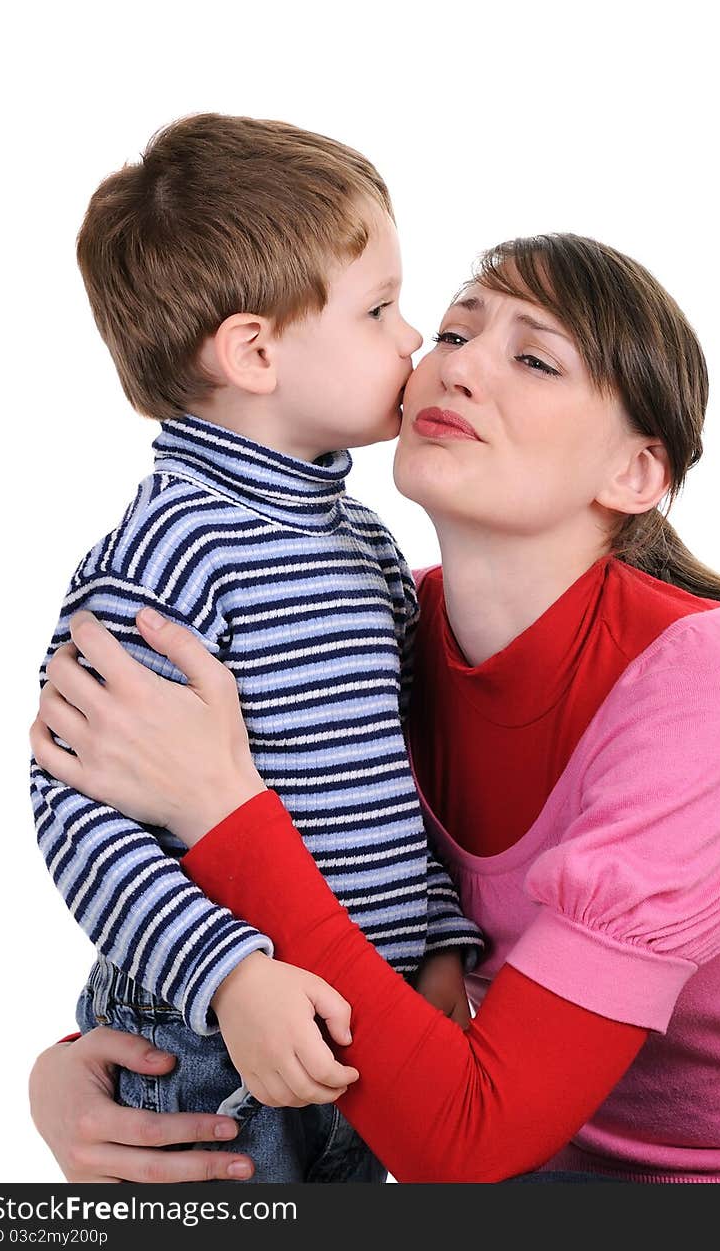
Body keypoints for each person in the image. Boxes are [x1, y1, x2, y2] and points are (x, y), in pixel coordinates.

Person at [31, 233, 720, 1184]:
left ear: (635, 473)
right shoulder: (375, 629)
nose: (458, 365)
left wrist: (224, 813)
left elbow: (464, 1145)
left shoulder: (711, 693)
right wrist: (85, 1071)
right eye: (455, 329)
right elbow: (301, 875)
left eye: (534, 357)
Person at [29, 113, 484, 1184]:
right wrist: (230, 977)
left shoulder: (366, 546)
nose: (412, 337)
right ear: (254, 352)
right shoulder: (170, 551)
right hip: (205, 1048)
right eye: (378, 309)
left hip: (359, 1023)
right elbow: (74, 811)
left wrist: (437, 939)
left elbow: (398, 775)